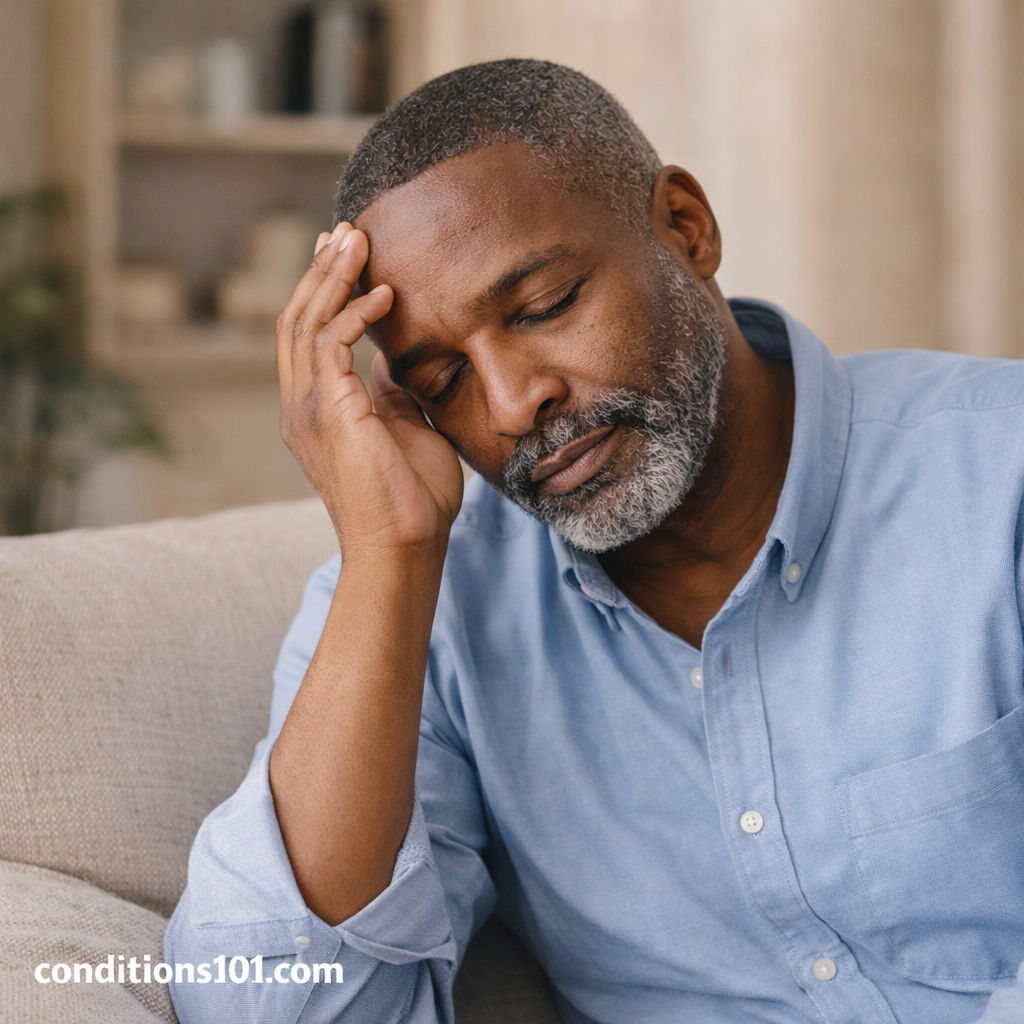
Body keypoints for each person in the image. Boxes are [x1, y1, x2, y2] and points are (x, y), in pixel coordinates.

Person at [164, 59, 1024, 1024]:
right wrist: (389, 553)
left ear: (685, 229)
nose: (511, 403)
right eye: (442, 382)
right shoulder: (421, 612)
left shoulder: (1001, 477)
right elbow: (272, 1011)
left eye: (541, 308)